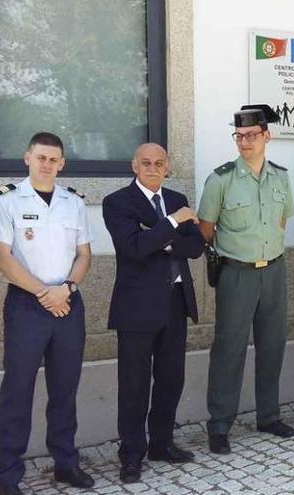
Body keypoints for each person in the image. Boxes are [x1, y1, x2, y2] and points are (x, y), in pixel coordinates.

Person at [0, 132, 94, 494]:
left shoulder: (73, 202)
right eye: (41, 157)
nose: (47, 164)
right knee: (17, 390)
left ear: (62, 163)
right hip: (27, 306)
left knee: (65, 389)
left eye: (54, 159)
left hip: (68, 302)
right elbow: (2, 257)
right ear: (27, 158)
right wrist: (44, 293)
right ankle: (8, 475)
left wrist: (67, 289)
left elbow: (84, 255)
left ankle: (65, 464)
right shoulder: (8, 200)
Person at [198, 104, 294, 455]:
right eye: (239, 135)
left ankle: (268, 416)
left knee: (272, 345)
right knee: (229, 349)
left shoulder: (281, 176)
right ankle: (220, 424)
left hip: (273, 270)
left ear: (266, 136)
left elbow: (282, 221)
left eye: (252, 135)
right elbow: (206, 229)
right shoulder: (220, 179)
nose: (245, 141)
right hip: (236, 274)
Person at [102, 143, 204, 482]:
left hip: (175, 302)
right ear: (134, 165)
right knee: (134, 384)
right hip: (137, 308)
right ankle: (132, 454)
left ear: (167, 167)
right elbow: (133, 248)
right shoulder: (118, 203)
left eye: (159, 163)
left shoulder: (176, 198)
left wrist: (162, 238)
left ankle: (162, 443)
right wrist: (174, 224)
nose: (152, 167)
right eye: (145, 162)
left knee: (171, 378)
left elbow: (196, 246)